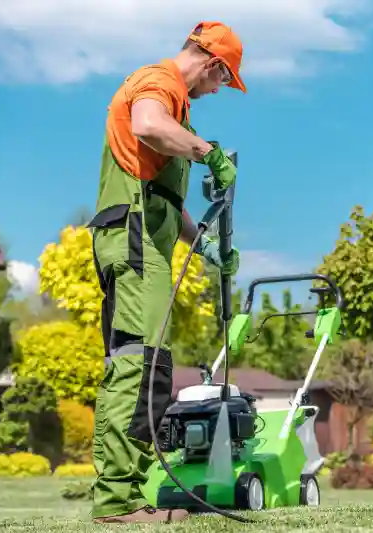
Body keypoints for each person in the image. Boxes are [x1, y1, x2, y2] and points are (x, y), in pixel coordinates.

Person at [86, 21, 245, 524]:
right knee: (138, 364)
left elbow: (164, 201)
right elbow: (147, 125)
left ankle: (126, 493)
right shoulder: (158, 83)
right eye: (225, 80)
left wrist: (206, 246)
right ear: (214, 63)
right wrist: (209, 153)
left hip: (145, 238)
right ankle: (117, 502)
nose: (220, 90)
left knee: (148, 362)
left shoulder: (181, 106)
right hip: (131, 238)